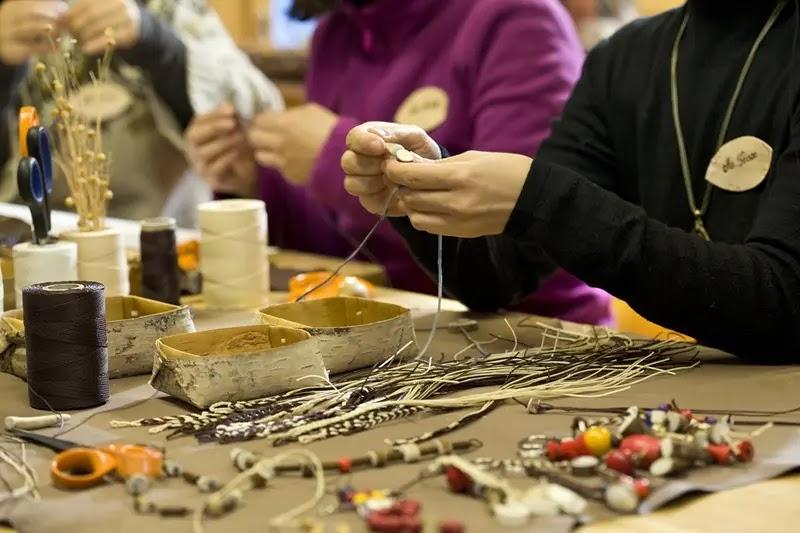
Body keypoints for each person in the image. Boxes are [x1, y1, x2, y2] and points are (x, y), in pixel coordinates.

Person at [342, 0, 800, 360]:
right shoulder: (625, 58)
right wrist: (423, 182)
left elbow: (782, 304)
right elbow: (498, 278)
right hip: (694, 392)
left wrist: (542, 198)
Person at [185, 0, 612, 325]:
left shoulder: (517, 19)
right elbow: (350, 248)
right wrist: (259, 185)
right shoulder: (336, 34)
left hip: (535, 336)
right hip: (402, 331)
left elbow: (525, 237)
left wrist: (338, 157)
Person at [0, 0, 281, 224]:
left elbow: (261, 113)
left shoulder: (171, 7)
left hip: (168, 239)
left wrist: (156, 41)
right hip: (30, 245)